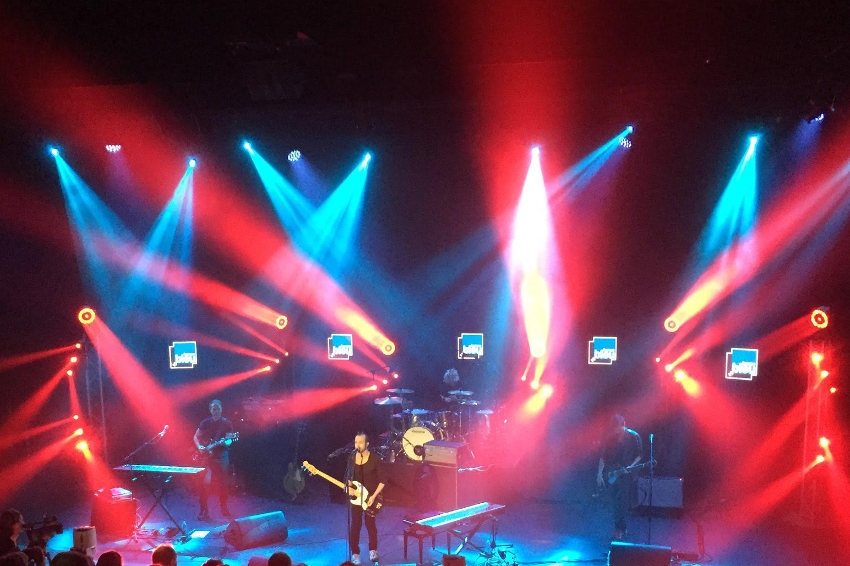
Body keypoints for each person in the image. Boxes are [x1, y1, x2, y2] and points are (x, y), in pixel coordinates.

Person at [596, 414, 642, 540]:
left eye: (618, 428)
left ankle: (619, 529)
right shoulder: (610, 438)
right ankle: (621, 528)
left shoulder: (634, 436)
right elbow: (603, 456)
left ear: (624, 425)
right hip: (612, 472)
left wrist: (630, 468)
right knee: (614, 502)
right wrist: (599, 474)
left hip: (627, 474)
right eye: (614, 429)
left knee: (621, 502)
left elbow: (639, 456)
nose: (616, 431)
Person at [346, 433, 386, 565]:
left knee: (370, 524)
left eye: (361, 442)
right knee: (355, 525)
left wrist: (373, 497)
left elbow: (382, 481)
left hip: (371, 498)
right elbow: (349, 479)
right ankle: (355, 553)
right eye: (356, 442)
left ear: (367, 444)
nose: (357, 445)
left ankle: (373, 550)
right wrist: (349, 486)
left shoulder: (375, 459)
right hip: (357, 498)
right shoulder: (352, 458)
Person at [193, 400, 236, 521]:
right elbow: (195, 436)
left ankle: (224, 508)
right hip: (207, 455)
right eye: (213, 409)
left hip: (221, 455)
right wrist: (200, 447)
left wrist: (226, 441)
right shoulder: (205, 423)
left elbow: (230, 440)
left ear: (221, 409)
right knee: (204, 483)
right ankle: (203, 511)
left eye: (218, 409)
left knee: (223, 483)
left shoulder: (227, 423)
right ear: (210, 410)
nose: (216, 411)